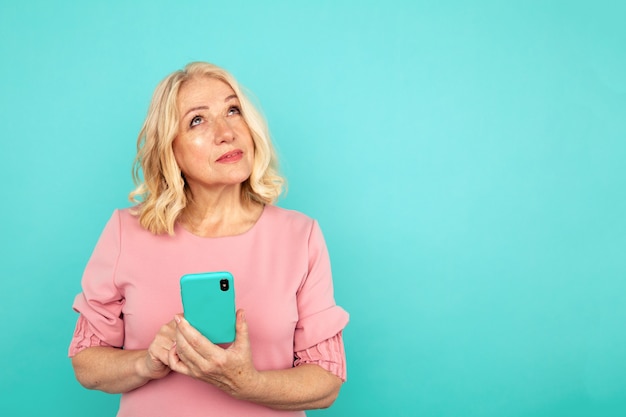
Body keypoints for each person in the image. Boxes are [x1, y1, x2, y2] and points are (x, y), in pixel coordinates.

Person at [68, 62, 349, 417]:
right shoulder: (126, 231)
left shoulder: (300, 235)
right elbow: (86, 365)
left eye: (233, 111)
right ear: (170, 149)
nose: (227, 132)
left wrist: (247, 383)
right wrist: (147, 362)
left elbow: (326, 381)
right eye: (197, 120)